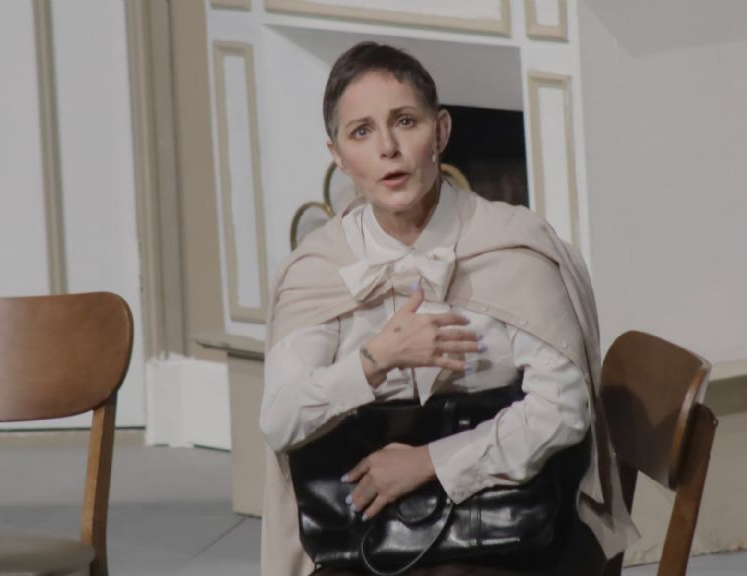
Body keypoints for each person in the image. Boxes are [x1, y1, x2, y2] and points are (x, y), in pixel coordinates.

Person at [259, 42, 637, 576]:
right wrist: (375, 361)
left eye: (405, 122)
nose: (388, 148)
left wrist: (429, 463)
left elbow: (563, 410)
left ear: (440, 132)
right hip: (360, 531)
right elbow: (280, 420)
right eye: (361, 132)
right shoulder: (320, 270)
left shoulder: (512, 250)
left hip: (505, 526)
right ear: (338, 155)